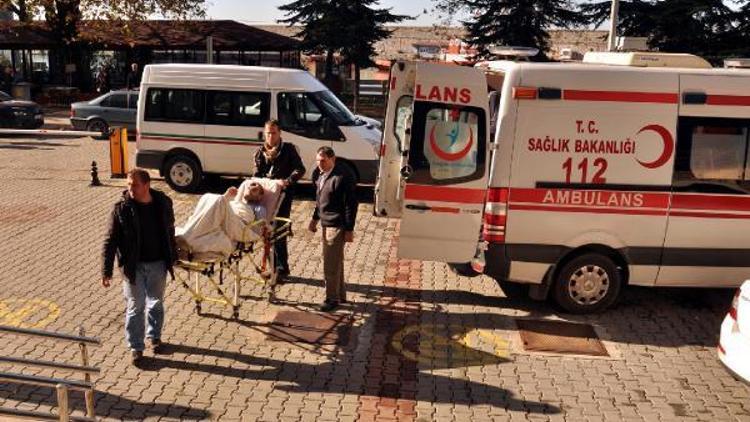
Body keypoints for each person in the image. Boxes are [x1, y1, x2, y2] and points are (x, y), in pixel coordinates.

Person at [101, 168, 177, 365]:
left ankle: (155, 337)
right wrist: (106, 270)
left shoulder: (162, 203)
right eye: (128, 184)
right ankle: (136, 347)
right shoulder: (122, 208)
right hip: (133, 266)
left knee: (156, 302)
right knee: (136, 306)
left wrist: (173, 257)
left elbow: (170, 230)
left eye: (134, 185)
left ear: (146, 185)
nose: (130, 188)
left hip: (158, 264)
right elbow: (110, 240)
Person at [252, 120, 305, 280]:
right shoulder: (259, 152)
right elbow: (256, 173)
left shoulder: (288, 149)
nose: (271, 136)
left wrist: (288, 181)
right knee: (266, 232)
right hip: (265, 197)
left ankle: (281, 268)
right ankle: (273, 267)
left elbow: (300, 169)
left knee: (279, 231)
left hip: (282, 197)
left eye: (274, 132)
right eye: (268, 133)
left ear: (280, 133)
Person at [308, 146, 358, 312]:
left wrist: (349, 229)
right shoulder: (320, 175)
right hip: (325, 224)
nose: (320, 164)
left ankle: (331, 299)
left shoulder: (342, 177)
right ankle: (340, 295)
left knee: (330, 264)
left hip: (336, 225)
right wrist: (314, 220)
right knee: (336, 263)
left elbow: (351, 204)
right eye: (318, 160)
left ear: (333, 159)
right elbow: (320, 199)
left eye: (323, 161)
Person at [175, 181, 267, 261]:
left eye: (258, 189)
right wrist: (226, 197)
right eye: (253, 184)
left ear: (260, 197)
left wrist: (223, 199)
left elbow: (259, 228)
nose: (254, 187)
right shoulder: (234, 201)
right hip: (222, 224)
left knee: (216, 198)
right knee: (207, 197)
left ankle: (185, 237)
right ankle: (188, 240)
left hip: (240, 227)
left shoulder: (258, 208)